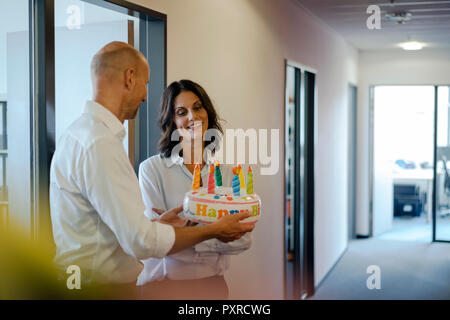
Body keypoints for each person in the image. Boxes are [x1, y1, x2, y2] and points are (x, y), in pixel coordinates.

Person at [49, 42, 253, 299]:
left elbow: (243, 238)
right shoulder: (100, 144)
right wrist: (213, 231)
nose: (145, 96)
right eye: (146, 83)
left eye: (198, 107)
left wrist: (158, 225)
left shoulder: (84, 136)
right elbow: (142, 241)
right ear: (130, 78)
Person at [137, 80, 252, 299]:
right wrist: (218, 232)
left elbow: (243, 240)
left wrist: (183, 236)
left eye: (198, 107)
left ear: (207, 111)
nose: (193, 117)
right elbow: (157, 242)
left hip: (213, 288)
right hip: (163, 290)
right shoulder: (152, 170)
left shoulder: (228, 174)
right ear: (172, 120)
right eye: (182, 112)